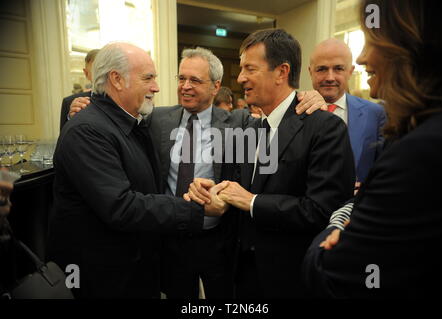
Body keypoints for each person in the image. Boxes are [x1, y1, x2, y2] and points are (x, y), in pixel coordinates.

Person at [186, 29, 355, 298]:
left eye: (250, 69)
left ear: (281, 72)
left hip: (290, 279)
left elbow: (323, 210)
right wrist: (214, 194)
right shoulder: (249, 127)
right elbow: (236, 188)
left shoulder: (325, 128)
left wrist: (252, 201)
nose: (240, 78)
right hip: (241, 278)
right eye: (241, 69)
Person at [149, 47, 328, 299]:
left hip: (217, 239)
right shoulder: (156, 119)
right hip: (168, 237)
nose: (185, 86)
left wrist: (309, 97)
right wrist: (75, 104)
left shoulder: (238, 122)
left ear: (215, 86)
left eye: (195, 80)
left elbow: (280, 119)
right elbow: (118, 114)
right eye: (181, 78)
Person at [47, 42, 219, 299]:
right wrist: (197, 209)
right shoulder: (88, 131)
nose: (157, 87)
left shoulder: (130, 123)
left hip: (131, 269)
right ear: (116, 79)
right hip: (103, 277)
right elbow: (121, 206)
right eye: (148, 78)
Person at [301, 0, 442, 298]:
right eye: (322, 69)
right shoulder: (298, 114)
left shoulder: (420, 148)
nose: (366, 56)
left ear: (407, 46)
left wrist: (340, 228)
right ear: (310, 71)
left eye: (373, 40)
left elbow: (331, 273)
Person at [309, 38, 386, 183]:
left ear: (350, 72)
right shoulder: (295, 112)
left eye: (338, 69)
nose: (330, 77)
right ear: (310, 72)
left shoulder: (375, 114)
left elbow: (386, 168)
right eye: (322, 69)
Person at [59, 49, 99, 131]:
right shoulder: (69, 102)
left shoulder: (123, 100)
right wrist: (71, 118)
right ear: (87, 74)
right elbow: (64, 139)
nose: (101, 76)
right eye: (96, 71)